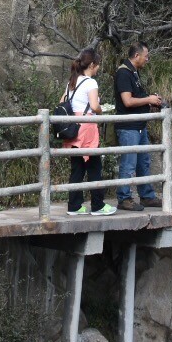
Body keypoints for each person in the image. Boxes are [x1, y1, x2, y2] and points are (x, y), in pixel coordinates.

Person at [63, 47, 116, 216]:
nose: (99, 68)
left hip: (73, 127)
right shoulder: (90, 82)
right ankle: (98, 206)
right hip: (87, 128)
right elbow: (94, 106)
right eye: (98, 64)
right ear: (92, 64)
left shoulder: (72, 81)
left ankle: (74, 206)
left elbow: (62, 102)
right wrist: (101, 110)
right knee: (94, 167)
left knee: (77, 168)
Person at [113, 42, 164, 211]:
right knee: (128, 163)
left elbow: (136, 97)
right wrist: (148, 100)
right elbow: (127, 101)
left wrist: (151, 101)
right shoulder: (123, 73)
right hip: (129, 126)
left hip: (140, 126)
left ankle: (147, 196)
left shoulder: (134, 73)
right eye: (146, 56)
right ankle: (124, 198)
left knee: (143, 162)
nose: (147, 59)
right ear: (137, 56)